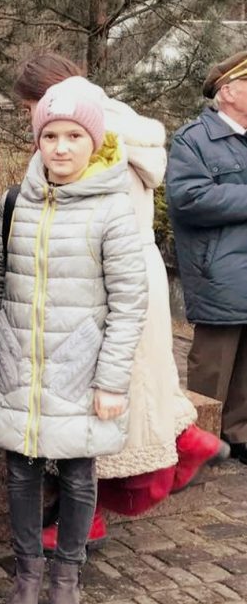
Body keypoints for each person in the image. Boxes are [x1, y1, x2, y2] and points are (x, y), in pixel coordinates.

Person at [14, 55, 227, 536]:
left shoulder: (87, 139)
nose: (33, 119)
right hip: (136, 272)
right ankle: (187, 443)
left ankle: (82, 519)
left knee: (89, 404)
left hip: (101, 283)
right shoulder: (124, 128)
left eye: (30, 107)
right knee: (144, 381)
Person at [0, 79, 147, 604]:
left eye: (74, 136)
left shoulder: (113, 207)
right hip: (20, 363)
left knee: (78, 472)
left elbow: (128, 303)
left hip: (81, 368)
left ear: (93, 141)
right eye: (50, 135)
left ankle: (66, 577)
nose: (60, 147)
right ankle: (27, 573)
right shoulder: (14, 202)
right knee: (20, 469)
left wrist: (112, 380)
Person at [167, 50, 247, 464]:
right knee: (213, 367)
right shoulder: (194, 139)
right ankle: (198, 442)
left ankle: (239, 436)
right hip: (218, 271)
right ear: (228, 91)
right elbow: (188, 198)